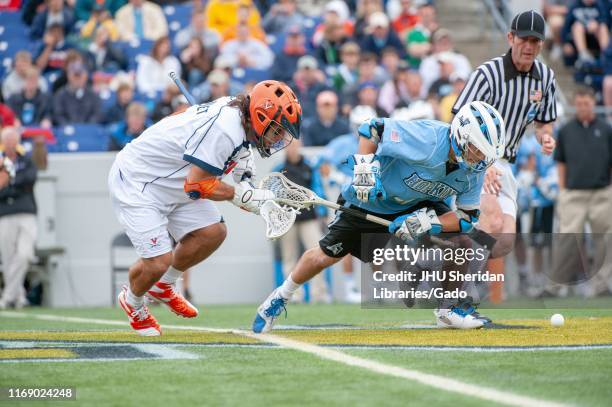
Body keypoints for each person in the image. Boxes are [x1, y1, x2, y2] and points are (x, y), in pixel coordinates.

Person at [252, 101, 506, 333]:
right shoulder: (428, 139)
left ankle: (448, 309)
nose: (481, 159)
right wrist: (365, 172)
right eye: (477, 150)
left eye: (486, 153)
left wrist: (426, 222)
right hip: (372, 197)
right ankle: (279, 297)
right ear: (461, 136)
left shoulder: (474, 170)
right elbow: (372, 128)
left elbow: (466, 217)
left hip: (419, 201)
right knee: (324, 256)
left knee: (460, 241)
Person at [108, 80, 302, 336]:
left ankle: (163, 285)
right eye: (277, 130)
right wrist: (239, 195)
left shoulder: (240, 122)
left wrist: (249, 190)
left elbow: (237, 161)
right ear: (259, 117)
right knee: (158, 261)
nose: (279, 138)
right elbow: (196, 185)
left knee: (213, 233)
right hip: (140, 181)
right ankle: (132, 301)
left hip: (174, 180)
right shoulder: (225, 130)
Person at [451, 10, 557, 307]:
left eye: (536, 41)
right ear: (510, 37)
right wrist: (480, 166)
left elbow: (543, 122)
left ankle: (443, 258)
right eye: (524, 39)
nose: (529, 46)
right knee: (492, 220)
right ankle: (456, 298)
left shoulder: (545, 77)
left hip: (507, 162)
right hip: (475, 160)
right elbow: (459, 118)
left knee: (505, 241)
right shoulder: (488, 73)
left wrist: (545, 137)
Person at [552, 87, 612, 296]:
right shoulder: (566, 130)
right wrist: (562, 190)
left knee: (604, 240)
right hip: (573, 193)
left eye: (586, 104)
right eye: (578, 104)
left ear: (593, 104)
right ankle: (556, 286)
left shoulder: (606, 129)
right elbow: (561, 163)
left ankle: (602, 285)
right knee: (567, 239)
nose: (582, 108)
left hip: (602, 194)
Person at [274, 138, 330, 303]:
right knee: (289, 258)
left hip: (309, 218)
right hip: (287, 221)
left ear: (300, 146)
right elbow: (273, 196)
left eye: (295, 144)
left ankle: (318, 294)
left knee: (317, 256)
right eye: (288, 145)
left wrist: (324, 213)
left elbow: (319, 190)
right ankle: (292, 296)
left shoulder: (310, 168)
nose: (292, 148)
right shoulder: (279, 170)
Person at [0, 127, 38, 309]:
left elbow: (30, 178)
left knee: (25, 254)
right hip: (5, 214)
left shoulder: (25, 159)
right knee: (8, 257)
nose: (10, 144)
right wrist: (13, 185)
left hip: (26, 212)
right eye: (7, 141)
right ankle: (19, 296)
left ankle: (8, 296)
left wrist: (11, 183)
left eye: (13, 140)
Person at [52, 60, 102, 125]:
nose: (78, 78)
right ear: (68, 75)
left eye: (80, 75)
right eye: (75, 75)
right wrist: (70, 128)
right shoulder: (60, 95)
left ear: (86, 76)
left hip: (89, 132)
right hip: (66, 132)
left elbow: (97, 114)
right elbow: (58, 115)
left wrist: (85, 128)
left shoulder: (93, 95)